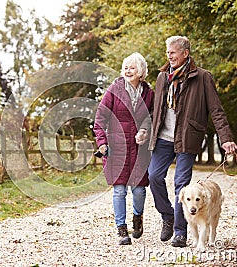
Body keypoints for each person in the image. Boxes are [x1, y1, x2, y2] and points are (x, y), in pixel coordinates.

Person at [148, 36, 237, 247]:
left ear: (185, 53)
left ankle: (180, 232)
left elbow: (216, 110)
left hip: (187, 138)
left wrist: (226, 139)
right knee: (153, 176)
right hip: (163, 137)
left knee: (181, 186)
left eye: (173, 52)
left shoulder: (203, 77)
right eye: (167, 52)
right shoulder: (162, 77)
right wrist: (146, 131)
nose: (169, 56)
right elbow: (156, 109)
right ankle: (168, 215)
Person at [94, 52, 154, 245]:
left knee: (139, 191)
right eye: (126, 67)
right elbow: (99, 119)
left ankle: (138, 217)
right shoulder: (114, 90)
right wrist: (102, 142)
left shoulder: (149, 93)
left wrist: (145, 130)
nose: (128, 71)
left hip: (139, 150)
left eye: (132, 68)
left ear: (141, 72)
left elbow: (152, 117)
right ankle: (122, 229)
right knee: (119, 190)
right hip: (117, 148)